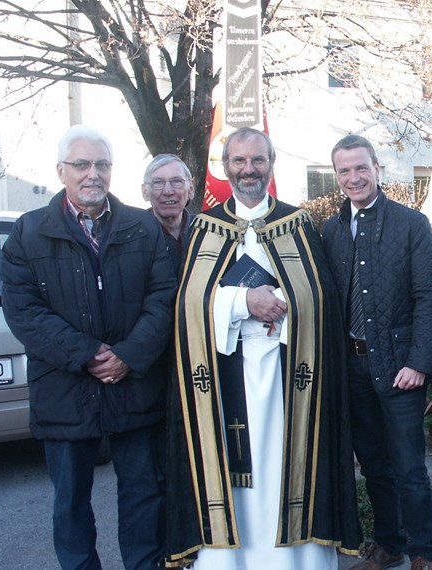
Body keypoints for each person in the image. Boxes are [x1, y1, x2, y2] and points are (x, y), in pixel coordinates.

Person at [166, 127, 361, 568]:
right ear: (226, 166)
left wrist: (282, 307)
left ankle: (298, 560)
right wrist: (243, 301)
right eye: (239, 160)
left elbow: (321, 299)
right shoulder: (204, 227)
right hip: (224, 375)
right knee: (233, 472)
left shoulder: (297, 224)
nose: (248, 169)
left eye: (257, 160)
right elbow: (187, 304)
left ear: (271, 164)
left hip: (288, 373)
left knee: (284, 465)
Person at [0, 124, 176, 570]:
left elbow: (164, 298)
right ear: (61, 171)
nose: (92, 174)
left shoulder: (143, 227)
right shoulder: (28, 231)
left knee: (143, 495)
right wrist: (88, 355)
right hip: (64, 390)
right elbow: (24, 311)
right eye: (81, 165)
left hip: (133, 385)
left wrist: (128, 356)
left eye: (101, 164)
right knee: (70, 503)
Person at [322, 134, 432, 570]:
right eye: (344, 171)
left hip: (398, 368)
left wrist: (417, 361)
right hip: (351, 367)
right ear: (337, 177)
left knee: (409, 468)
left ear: (378, 169)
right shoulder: (332, 229)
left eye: (361, 168)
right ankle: (389, 543)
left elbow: (429, 296)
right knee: (373, 465)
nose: (354, 177)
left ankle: (423, 550)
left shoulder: (411, 224)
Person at [141, 153, 195, 268]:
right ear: (145, 192)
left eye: (176, 181)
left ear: (191, 189)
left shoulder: (206, 232)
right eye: (158, 183)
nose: (168, 191)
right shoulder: (133, 236)